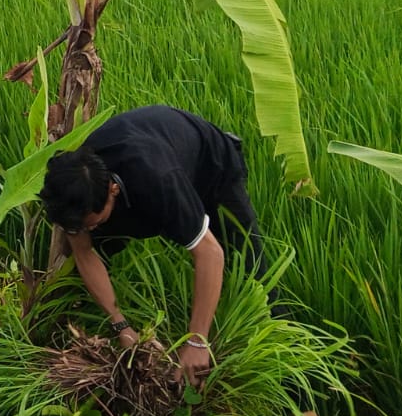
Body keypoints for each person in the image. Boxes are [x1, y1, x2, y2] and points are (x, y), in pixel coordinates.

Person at [40, 105, 266, 387]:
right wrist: (120, 325)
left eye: (93, 223)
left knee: (252, 269)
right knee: (90, 257)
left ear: (113, 191)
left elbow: (210, 253)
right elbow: (84, 252)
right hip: (144, 160)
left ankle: (298, 391)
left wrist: (197, 341)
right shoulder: (74, 190)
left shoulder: (158, 180)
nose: (87, 231)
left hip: (212, 167)